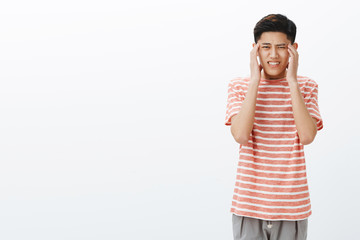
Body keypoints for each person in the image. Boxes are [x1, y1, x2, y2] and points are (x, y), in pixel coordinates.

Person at [224, 14, 323, 240]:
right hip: (249, 205)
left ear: (293, 48)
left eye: (281, 47)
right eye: (266, 47)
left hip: (292, 207)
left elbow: (307, 136)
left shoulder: (306, 86)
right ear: (255, 49)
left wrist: (292, 82)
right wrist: (255, 82)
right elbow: (240, 135)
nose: (273, 54)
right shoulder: (239, 86)